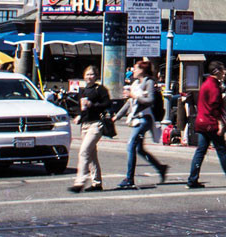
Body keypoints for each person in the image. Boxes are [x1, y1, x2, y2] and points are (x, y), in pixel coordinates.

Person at [187, 62, 226, 188]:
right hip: (211, 123)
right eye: (222, 70)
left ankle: (192, 180)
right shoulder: (214, 86)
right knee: (221, 151)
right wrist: (220, 123)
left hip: (202, 122)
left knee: (200, 151)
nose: (224, 73)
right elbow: (215, 107)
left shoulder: (206, 84)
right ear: (216, 71)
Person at [114, 60, 167, 189]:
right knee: (139, 149)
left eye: (136, 68)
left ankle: (129, 178)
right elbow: (129, 103)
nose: (133, 71)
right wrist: (116, 117)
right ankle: (160, 168)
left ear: (142, 70)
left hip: (144, 119)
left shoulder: (148, 82)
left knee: (131, 145)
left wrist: (134, 96)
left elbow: (150, 100)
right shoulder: (135, 83)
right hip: (137, 118)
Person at [68, 65, 110, 193]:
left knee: (83, 152)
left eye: (92, 74)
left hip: (96, 124)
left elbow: (107, 104)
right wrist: (79, 116)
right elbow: (82, 109)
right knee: (91, 154)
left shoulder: (100, 89)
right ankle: (97, 183)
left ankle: (79, 182)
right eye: (87, 74)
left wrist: (93, 105)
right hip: (85, 125)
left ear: (96, 76)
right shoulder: (83, 90)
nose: (89, 77)